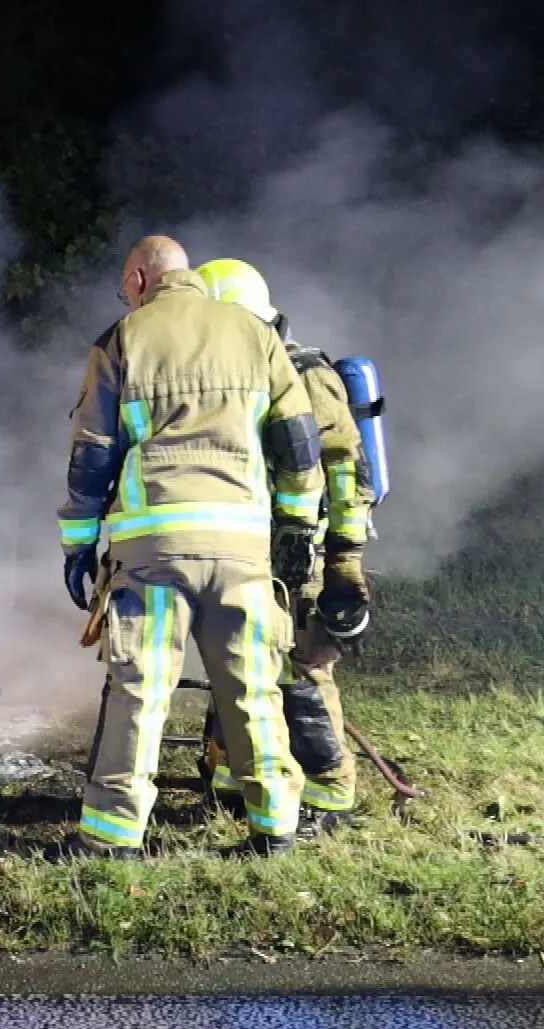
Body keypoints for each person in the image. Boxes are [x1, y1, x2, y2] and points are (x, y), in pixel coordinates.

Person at [57, 236, 325, 859]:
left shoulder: (124, 338)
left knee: (140, 691)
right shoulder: (256, 335)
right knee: (252, 688)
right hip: (241, 549)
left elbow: (91, 454)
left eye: (125, 284)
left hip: (153, 552)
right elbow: (299, 444)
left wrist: (77, 544)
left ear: (142, 276)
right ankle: (275, 830)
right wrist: (294, 530)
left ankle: (113, 839)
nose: (125, 295)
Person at [195, 258, 375, 836]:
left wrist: (343, 559)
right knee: (237, 655)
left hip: (303, 554)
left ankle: (329, 792)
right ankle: (232, 781)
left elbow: (346, 471)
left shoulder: (306, 375)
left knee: (301, 667)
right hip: (248, 544)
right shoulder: (240, 373)